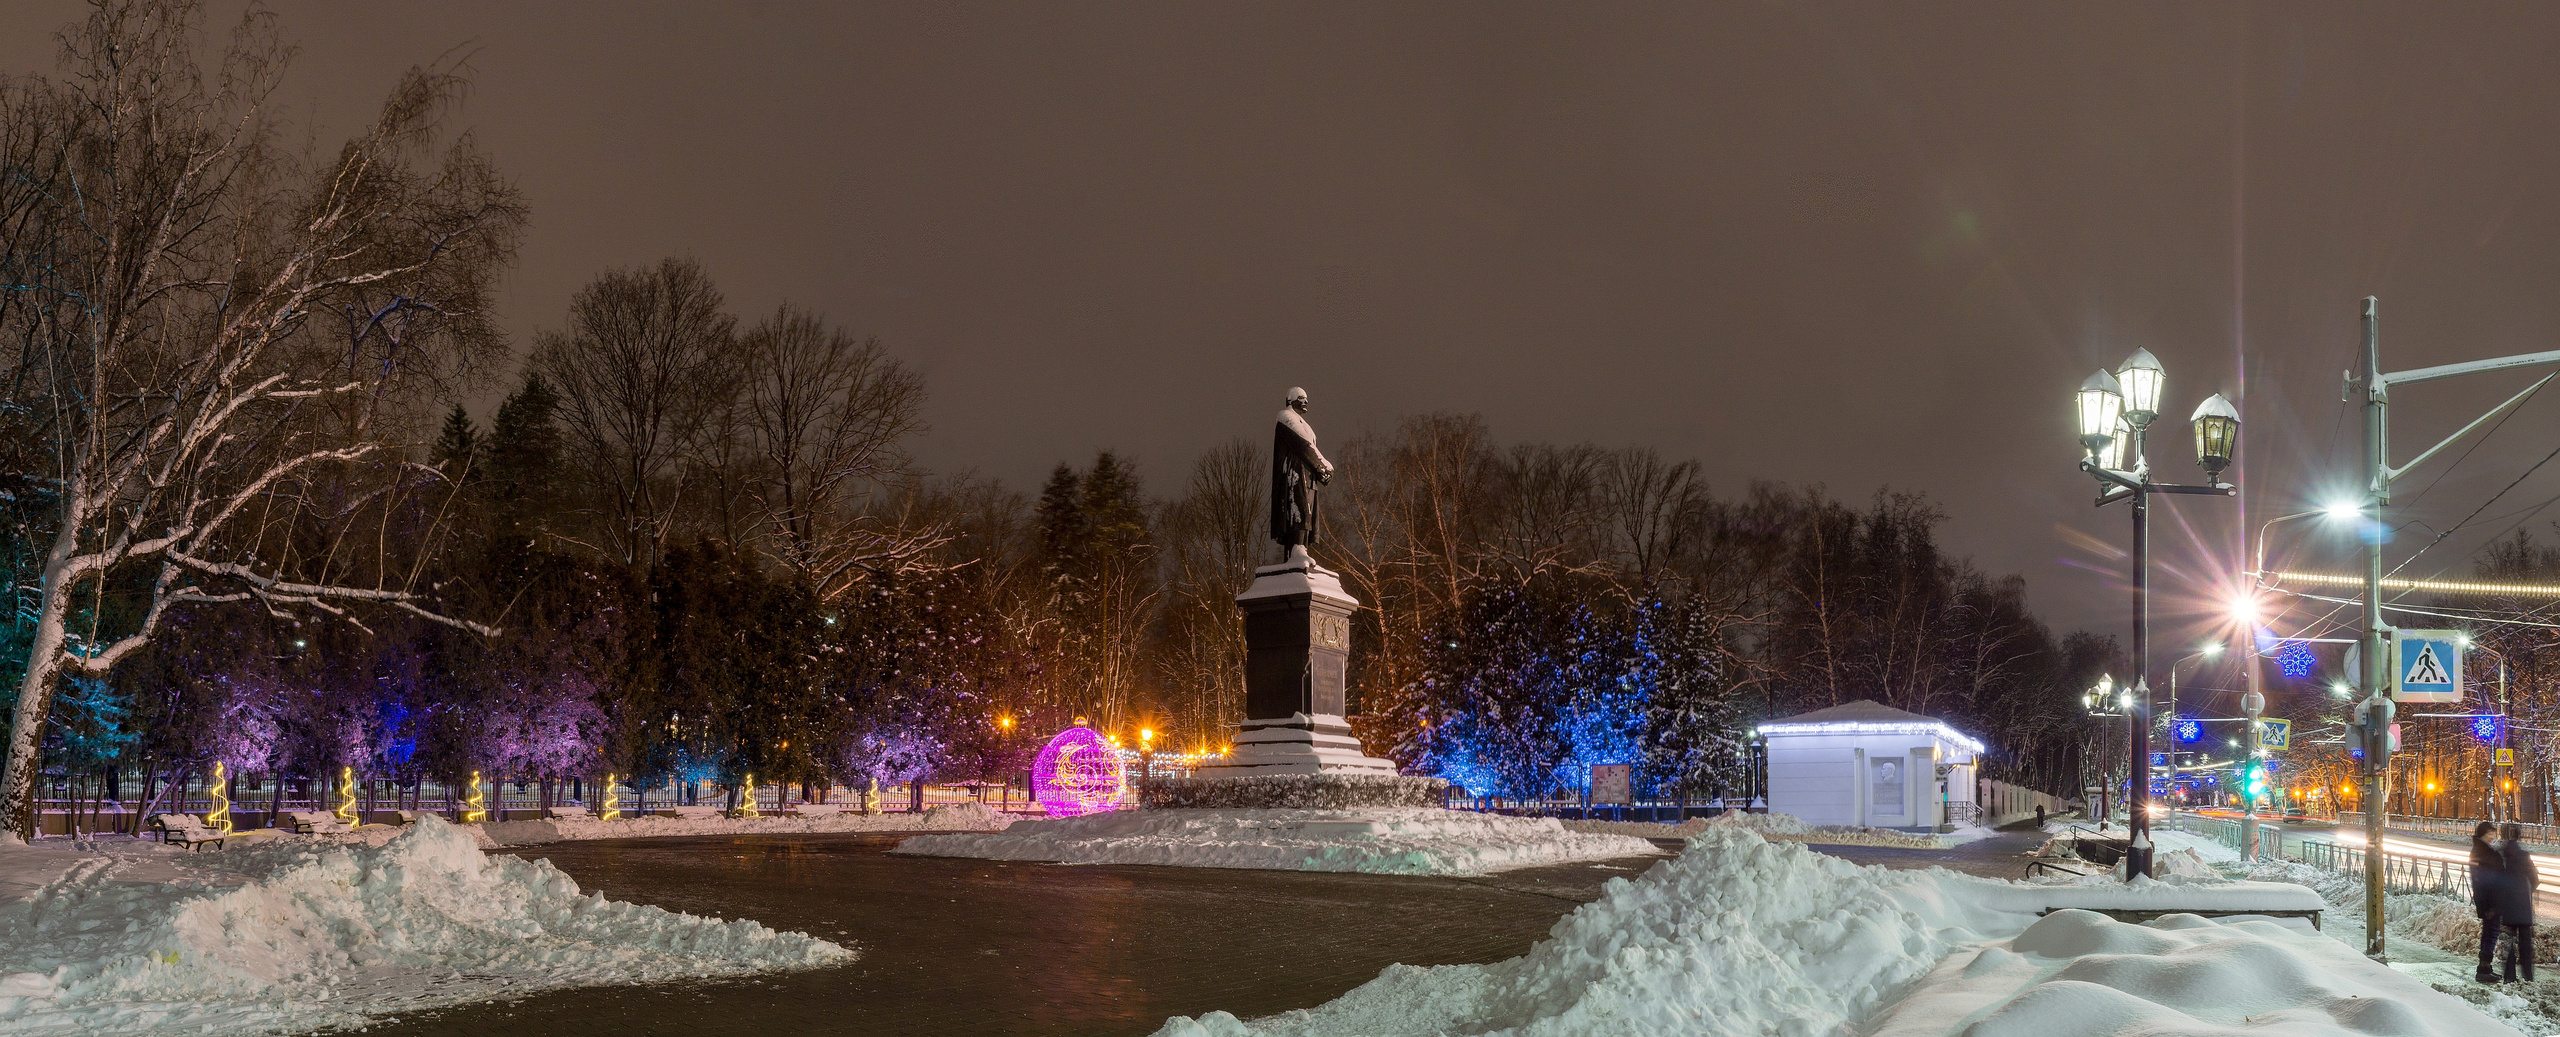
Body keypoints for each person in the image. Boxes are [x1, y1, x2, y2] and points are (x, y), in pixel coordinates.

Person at [2500, 822, 2539, 983]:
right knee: (2525, 943)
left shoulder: (2500, 856)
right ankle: (2528, 976)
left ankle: (2509, 976)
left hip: (2506, 906)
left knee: (2508, 942)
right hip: (2523, 905)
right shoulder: (2524, 855)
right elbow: (2535, 879)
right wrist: (2526, 891)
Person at [2473, 821, 2507, 983]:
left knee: (2489, 933)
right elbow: (2484, 882)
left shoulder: (2482, 850)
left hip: (2489, 900)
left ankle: (2485, 968)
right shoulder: (2483, 852)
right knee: (2491, 934)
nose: (2493, 837)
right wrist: (2490, 905)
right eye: (2490, 834)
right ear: (2483, 835)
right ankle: (2484, 969)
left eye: (2494, 834)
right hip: (2491, 902)